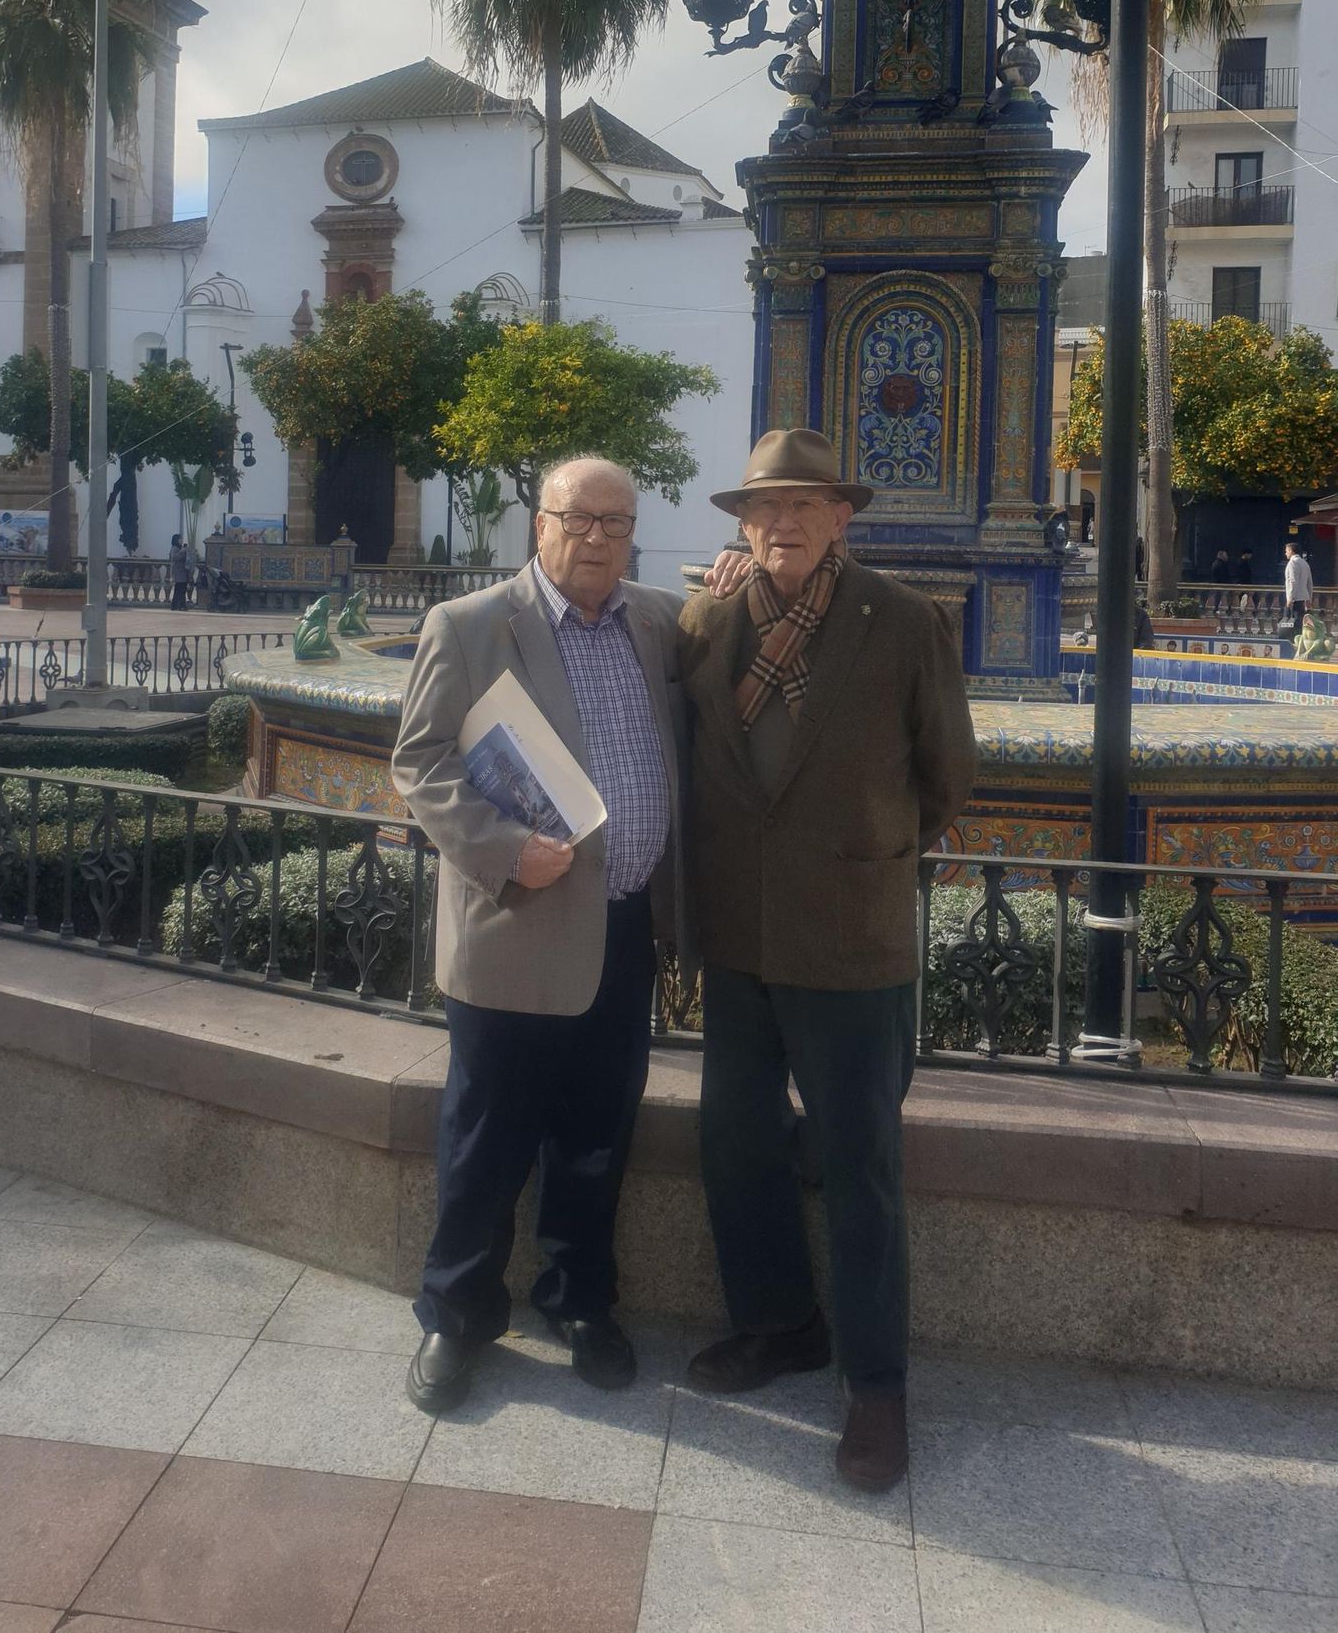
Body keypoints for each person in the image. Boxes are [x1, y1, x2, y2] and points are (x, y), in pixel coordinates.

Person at [677, 428, 976, 1495]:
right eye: (764, 508)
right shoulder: (708, 619)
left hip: (850, 933)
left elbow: (946, 773)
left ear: (842, 518)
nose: (782, 524)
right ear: (742, 523)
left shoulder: (899, 622)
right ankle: (777, 1325)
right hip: (741, 934)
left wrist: (863, 853)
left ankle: (876, 1385)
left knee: (860, 1167)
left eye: (804, 506)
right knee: (736, 1143)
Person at [391, 456, 689, 1417]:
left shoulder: (656, 621)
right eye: (579, 517)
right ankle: (456, 1313)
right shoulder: (472, 626)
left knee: (598, 1134)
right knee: (486, 1135)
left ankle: (578, 1301)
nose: (599, 535)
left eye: (617, 519)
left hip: (623, 926)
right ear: (540, 524)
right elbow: (421, 761)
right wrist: (504, 847)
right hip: (516, 925)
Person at [1285, 541, 1314, 634]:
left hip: (1295, 597)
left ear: (1291, 551)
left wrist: (1290, 598)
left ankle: (1292, 637)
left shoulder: (1292, 563)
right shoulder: (1305, 563)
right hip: (1304, 596)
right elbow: (1310, 583)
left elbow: (1293, 581)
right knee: (1301, 620)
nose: (1285, 553)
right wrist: (1309, 598)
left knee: (1292, 619)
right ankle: (1299, 636)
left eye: (1286, 551)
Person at [168, 534, 191, 612]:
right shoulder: (174, 548)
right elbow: (174, 557)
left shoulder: (179, 548)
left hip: (182, 572)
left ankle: (177, 605)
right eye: (180, 539)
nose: (181, 540)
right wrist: (182, 551)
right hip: (178, 572)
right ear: (176, 540)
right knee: (180, 589)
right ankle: (180, 605)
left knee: (180, 589)